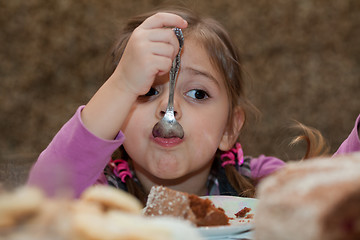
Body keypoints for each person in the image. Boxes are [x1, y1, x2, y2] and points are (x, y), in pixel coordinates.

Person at [27, 7, 360, 205]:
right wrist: (122, 83)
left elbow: (334, 199)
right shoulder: (100, 197)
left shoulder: (261, 187)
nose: (167, 108)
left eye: (198, 94)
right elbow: (43, 197)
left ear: (230, 128)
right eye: (145, 92)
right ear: (116, 116)